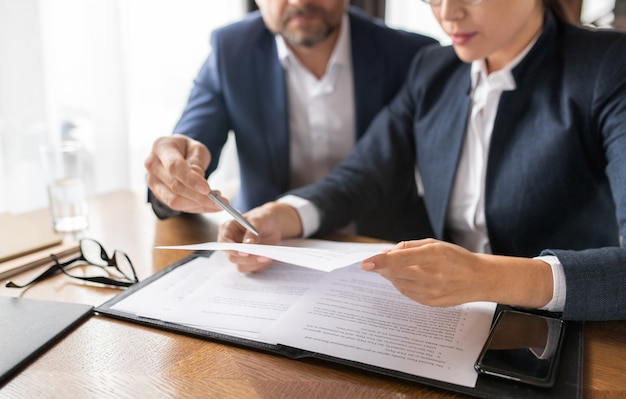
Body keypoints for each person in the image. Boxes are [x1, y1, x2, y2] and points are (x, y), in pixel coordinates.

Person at [219, 0, 626, 322]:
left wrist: (487, 278)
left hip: (568, 327)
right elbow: (363, 174)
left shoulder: (608, 67)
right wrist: (281, 215)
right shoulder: (434, 68)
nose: (447, 13)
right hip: (446, 319)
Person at [144, 0, 437, 241]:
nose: (299, 2)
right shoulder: (231, 51)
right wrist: (171, 178)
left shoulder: (410, 56)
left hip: (378, 249)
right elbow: (190, 147)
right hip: (265, 245)